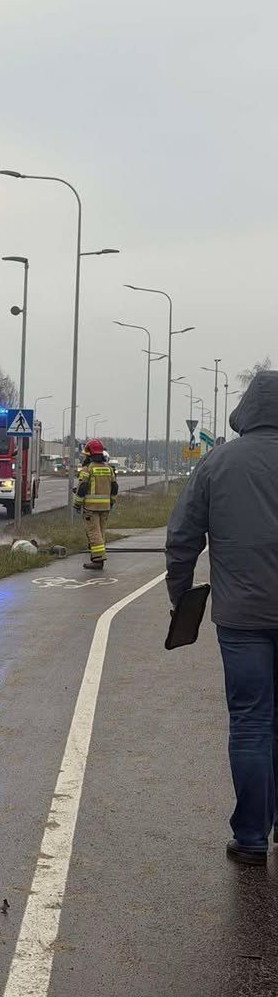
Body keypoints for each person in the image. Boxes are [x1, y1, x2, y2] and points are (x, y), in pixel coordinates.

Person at [166, 370, 278, 865]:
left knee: (252, 723)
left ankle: (252, 837)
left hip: (242, 618)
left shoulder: (216, 464)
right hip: (246, 616)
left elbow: (182, 539)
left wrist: (181, 598)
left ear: (247, 409)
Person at [73, 440, 118, 570]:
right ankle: (96, 556)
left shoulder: (88, 469)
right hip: (105, 507)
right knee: (100, 533)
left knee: (93, 533)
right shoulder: (109, 469)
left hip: (91, 508)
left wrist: (77, 503)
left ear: (90, 454)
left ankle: (98, 560)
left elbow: (82, 488)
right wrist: (112, 502)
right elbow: (114, 487)